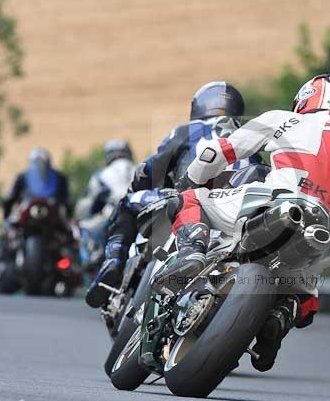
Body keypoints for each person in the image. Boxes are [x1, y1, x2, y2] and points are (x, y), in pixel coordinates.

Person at [165, 74, 330, 371]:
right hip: (319, 233)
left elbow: (217, 153)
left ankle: (192, 251)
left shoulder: (283, 119)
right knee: (305, 302)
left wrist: (191, 179)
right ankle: (281, 315)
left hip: (272, 202)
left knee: (187, 201)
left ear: (305, 99)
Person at [85, 81, 255, 308]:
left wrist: (137, 186)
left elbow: (149, 169)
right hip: (232, 212)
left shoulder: (188, 130)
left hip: (183, 202)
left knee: (127, 202)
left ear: (199, 107)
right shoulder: (249, 139)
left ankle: (114, 260)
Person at [2, 147, 71, 219]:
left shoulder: (59, 177)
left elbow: (66, 199)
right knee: (12, 222)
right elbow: (11, 196)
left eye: (42, 162)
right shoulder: (22, 177)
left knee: (66, 224)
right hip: (27, 208)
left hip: (53, 210)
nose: (41, 165)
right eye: (37, 162)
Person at [75, 140, 135, 220]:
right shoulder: (140, 168)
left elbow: (87, 204)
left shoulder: (101, 174)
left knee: (84, 226)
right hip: (141, 211)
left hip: (112, 214)